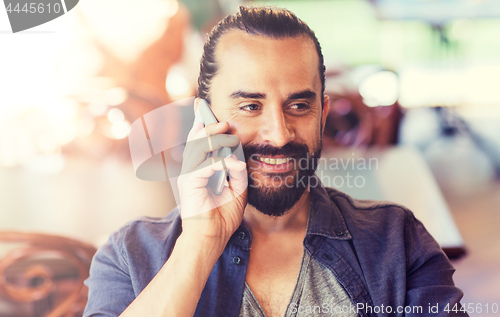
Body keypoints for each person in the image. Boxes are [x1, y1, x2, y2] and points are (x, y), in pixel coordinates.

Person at [84, 6, 467, 317]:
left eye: (299, 105)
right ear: (203, 118)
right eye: (250, 106)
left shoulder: (396, 242)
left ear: (323, 113)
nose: (279, 134)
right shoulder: (131, 255)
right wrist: (200, 242)